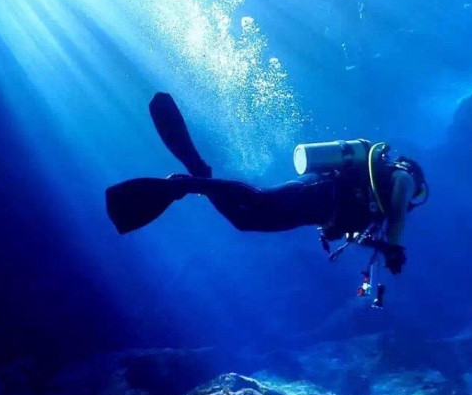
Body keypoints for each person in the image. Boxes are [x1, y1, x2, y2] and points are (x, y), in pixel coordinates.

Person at [105, 93, 428, 275]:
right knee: (260, 200)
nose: (413, 199)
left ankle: (198, 175)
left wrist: (382, 248)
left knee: (244, 222)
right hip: (318, 190)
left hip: (315, 213)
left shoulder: (383, 195)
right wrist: (395, 249)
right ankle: (193, 182)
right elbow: (398, 216)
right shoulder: (402, 178)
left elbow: (356, 230)